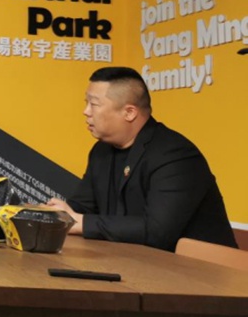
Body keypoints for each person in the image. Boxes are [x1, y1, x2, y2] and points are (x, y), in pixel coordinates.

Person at [47, 66, 236, 252]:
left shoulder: (175, 154)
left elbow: (157, 231)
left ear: (129, 112)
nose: (86, 111)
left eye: (94, 104)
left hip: (199, 267)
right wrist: (56, 214)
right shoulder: (101, 151)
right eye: (86, 103)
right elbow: (83, 207)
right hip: (132, 260)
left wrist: (82, 222)